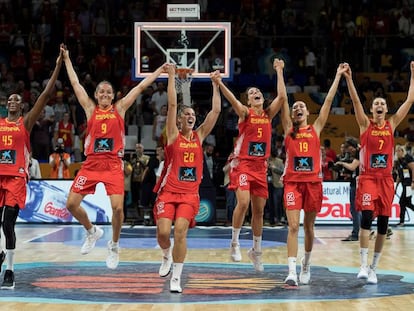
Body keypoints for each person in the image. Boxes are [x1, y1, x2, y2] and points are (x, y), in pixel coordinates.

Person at [61, 45, 168, 269]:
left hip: (112, 164)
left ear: (113, 95)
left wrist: (160, 71)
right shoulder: (90, 109)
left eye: (109, 92)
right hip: (91, 164)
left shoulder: (119, 109)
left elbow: (139, 87)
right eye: (102, 92)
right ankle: (92, 231)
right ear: (96, 95)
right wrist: (67, 59)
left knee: (118, 208)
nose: (105, 95)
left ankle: (114, 245)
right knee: (71, 203)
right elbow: (75, 84)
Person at [343, 61, 414, 284]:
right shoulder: (365, 124)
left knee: (383, 224)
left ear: (386, 108)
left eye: (382, 103)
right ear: (372, 109)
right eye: (376, 103)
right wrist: (348, 78)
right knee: (366, 218)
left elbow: (410, 100)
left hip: (386, 180)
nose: (380, 105)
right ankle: (363, 265)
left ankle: (374, 267)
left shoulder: (392, 124)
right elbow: (355, 100)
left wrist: (412, 73)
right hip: (367, 179)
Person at [212, 58, 286, 272]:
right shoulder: (245, 113)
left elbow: (281, 96)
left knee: (259, 211)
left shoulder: (268, 115)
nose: (256, 93)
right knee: (242, 203)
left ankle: (256, 250)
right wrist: (219, 83)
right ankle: (234, 242)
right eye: (252, 92)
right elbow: (233, 100)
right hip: (243, 164)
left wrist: (279, 70)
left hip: (260, 168)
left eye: (258, 91)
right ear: (249, 100)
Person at [0, 45, 63, 289]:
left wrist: (57, 66)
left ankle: (10, 270)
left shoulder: (25, 124)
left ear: (22, 106)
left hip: (15, 178)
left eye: (17, 99)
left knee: (8, 224)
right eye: (9, 99)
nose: (13, 101)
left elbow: (45, 95)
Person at [153, 65, 221, 293]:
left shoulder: (200, 136)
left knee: (180, 232)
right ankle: (166, 256)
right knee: (163, 233)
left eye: (193, 115)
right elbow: (173, 104)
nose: (191, 117)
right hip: (168, 192)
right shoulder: (173, 135)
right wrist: (172, 76)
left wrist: (216, 85)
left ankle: (177, 278)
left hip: (189, 195)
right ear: (179, 120)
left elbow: (215, 112)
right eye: (186, 115)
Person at [280, 63, 347, 286]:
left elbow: (327, 101)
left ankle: (306, 265)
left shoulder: (316, 128)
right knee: (292, 226)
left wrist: (337, 75)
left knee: (309, 227)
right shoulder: (288, 129)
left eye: (302, 107)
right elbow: (282, 98)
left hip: (313, 184)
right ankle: (291, 271)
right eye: (294, 107)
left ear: (308, 112)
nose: (298, 109)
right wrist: (280, 71)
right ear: (291, 114)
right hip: (292, 183)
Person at [335, 137, 361, 241]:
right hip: (355, 183)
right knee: (356, 210)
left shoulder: (360, 153)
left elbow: (353, 167)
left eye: (349, 148)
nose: (348, 151)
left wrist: (341, 163)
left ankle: (356, 233)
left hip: (358, 185)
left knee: (355, 210)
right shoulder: (355, 153)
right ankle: (362, 230)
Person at [394, 144, 414, 226]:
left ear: (402, 151)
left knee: (404, 202)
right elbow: (399, 175)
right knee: (404, 202)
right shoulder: (398, 162)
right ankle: (401, 221)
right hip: (404, 184)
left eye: (399, 151)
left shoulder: (408, 158)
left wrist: (413, 181)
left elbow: (413, 169)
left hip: (409, 184)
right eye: (396, 151)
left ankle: (402, 221)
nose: (397, 153)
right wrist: (396, 186)